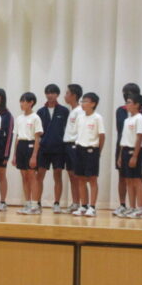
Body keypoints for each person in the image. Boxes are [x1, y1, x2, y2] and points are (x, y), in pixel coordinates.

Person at [36, 84, 71, 213]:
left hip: (59, 149)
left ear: (57, 94)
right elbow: (37, 132)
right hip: (43, 149)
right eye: (48, 93)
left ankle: (56, 203)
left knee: (58, 175)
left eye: (52, 93)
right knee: (39, 176)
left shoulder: (64, 111)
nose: (50, 95)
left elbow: (68, 129)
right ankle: (37, 203)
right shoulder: (40, 111)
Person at [72, 92, 106, 218]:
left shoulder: (97, 118)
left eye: (85, 101)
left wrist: (98, 151)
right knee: (80, 178)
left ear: (93, 104)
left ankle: (92, 207)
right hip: (79, 149)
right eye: (82, 101)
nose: (83, 104)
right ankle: (84, 205)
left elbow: (102, 136)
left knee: (92, 179)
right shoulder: (80, 117)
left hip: (92, 150)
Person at [113, 83, 142, 216]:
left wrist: (136, 153)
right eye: (125, 93)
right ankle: (124, 205)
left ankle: (141, 207)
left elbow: (141, 135)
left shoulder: (141, 114)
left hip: (135, 148)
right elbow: (121, 131)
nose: (126, 96)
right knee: (123, 176)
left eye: (129, 94)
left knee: (136, 178)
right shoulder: (121, 112)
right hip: (122, 147)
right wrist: (120, 153)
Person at [117, 93, 142, 218]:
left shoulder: (140, 118)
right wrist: (120, 156)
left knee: (136, 179)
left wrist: (135, 156)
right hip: (125, 151)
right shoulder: (127, 120)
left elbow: (139, 137)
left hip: (134, 151)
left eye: (129, 102)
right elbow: (123, 139)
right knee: (128, 180)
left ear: (137, 104)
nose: (126, 105)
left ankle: (140, 208)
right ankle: (132, 207)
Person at [14, 92, 44, 215]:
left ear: (31, 102)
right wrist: (14, 155)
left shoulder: (35, 118)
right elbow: (17, 137)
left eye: (24, 101)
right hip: (21, 146)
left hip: (31, 146)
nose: (21, 104)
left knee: (32, 176)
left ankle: (35, 205)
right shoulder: (19, 118)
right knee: (24, 176)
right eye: (20, 101)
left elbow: (37, 139)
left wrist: (34, 156)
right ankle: (27, 203)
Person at [62, 83, 84, 213]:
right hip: (68, 145)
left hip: (75, 146)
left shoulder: (80, 111)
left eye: (67, 93)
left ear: (74, 95)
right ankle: (75, 203)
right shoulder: (72, 111)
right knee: (71, 175)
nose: (65, 96)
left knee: (78, 176)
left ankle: (83, 204)